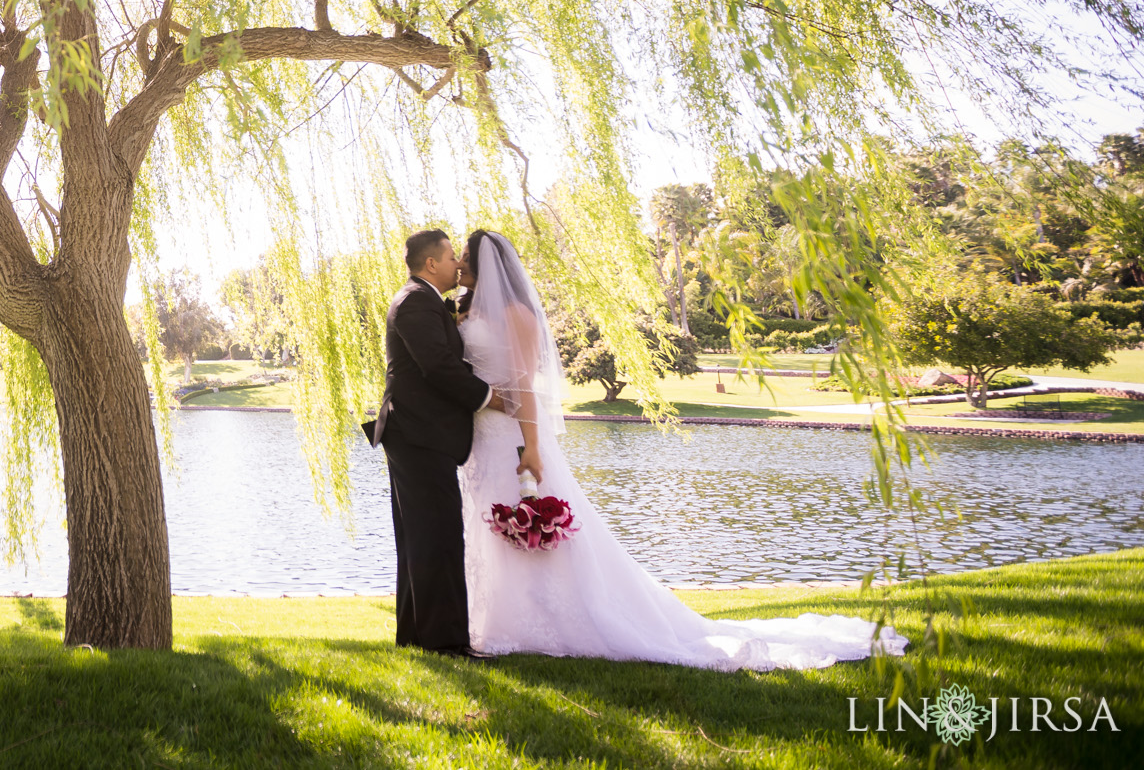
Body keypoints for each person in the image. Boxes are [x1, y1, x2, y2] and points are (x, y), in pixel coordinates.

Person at [455, 228, 908, 670]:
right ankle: (497, 617)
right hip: (480, 438)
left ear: (486, 264)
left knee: (529, 524)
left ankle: (547, 621)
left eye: (465, 258)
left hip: (514, 438)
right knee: (487, 528)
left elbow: (525, 385)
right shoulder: (467, 313)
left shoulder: (517, 314)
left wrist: (532, 446)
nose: (459, 264)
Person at [369, 228, 495, 656]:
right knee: (437, 535)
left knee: (422, 536)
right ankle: (445, 643)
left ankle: (417, 637)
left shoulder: (425, 302)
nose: (457, 265)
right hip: (418, 434)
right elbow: (438, 367)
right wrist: (490, 397)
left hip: (417, 434)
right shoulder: (415, 302)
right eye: (450, 257)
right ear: (430, 264)